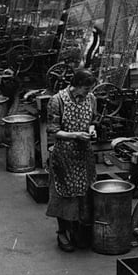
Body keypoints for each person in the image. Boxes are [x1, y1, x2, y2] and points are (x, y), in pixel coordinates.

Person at [46, 68, 98, 252]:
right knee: (64, 194)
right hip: (64, 155)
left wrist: (91, 130)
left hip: (84, 155)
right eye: (86, 89)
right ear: (76, 85)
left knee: (83, 193)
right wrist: (75, 135)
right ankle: (62, 232)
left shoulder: (91, 99)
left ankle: (76, 229)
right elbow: (53, 130)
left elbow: (93, 120)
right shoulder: (57, 100)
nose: (88, 93)